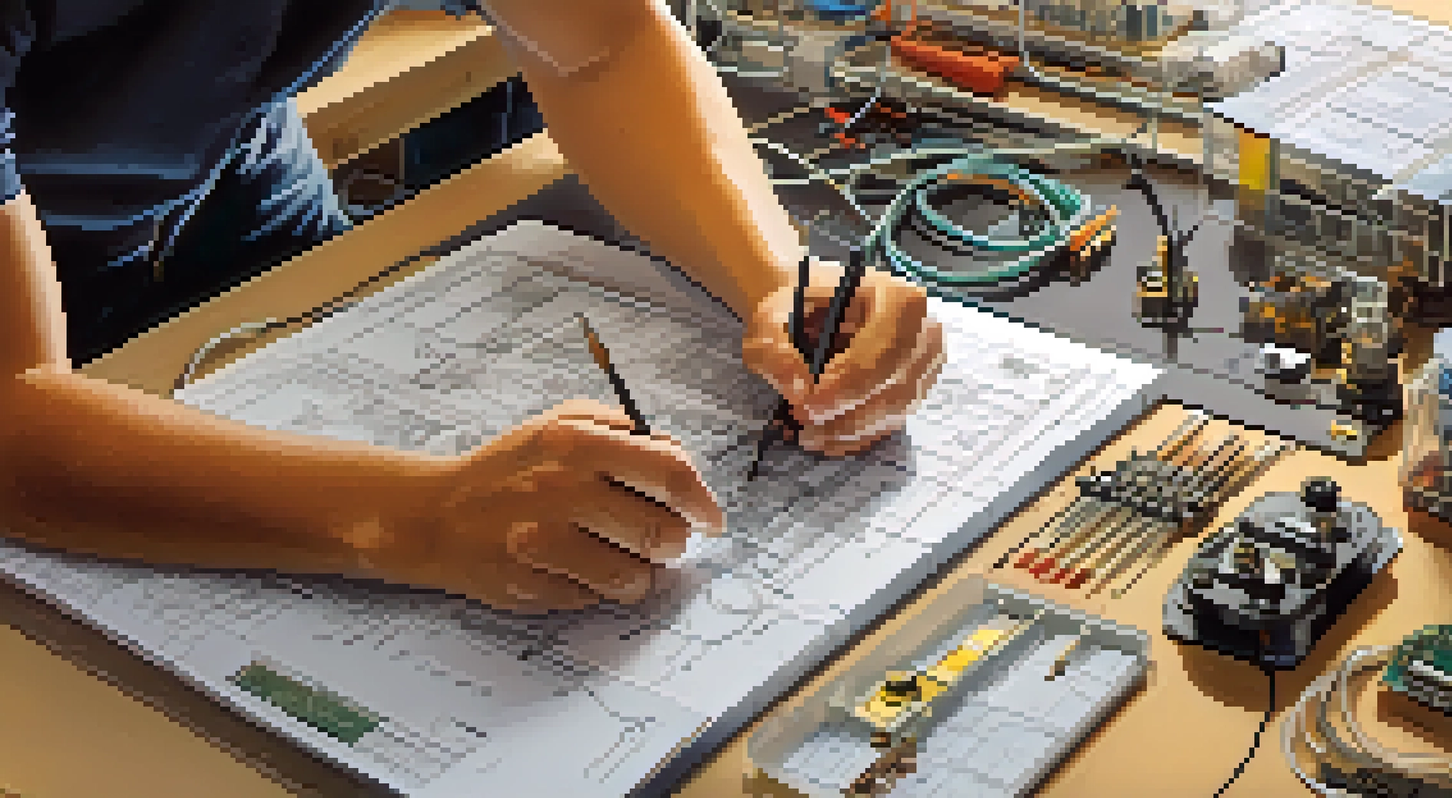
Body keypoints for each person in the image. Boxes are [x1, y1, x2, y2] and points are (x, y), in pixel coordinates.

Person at [0, 0, 945, 613]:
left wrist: (778, 282)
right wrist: (420, 518)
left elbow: (600, 49)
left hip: (233, 196)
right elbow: (11, 416)